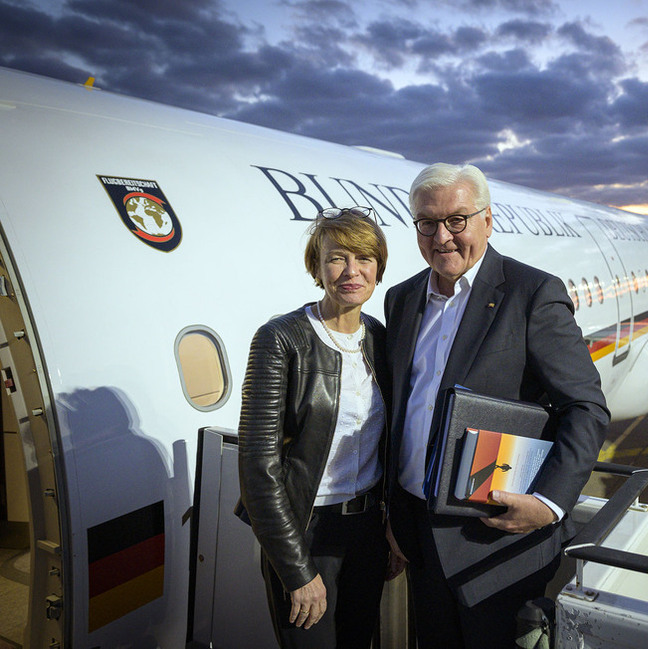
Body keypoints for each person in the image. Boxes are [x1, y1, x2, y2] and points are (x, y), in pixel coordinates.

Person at [384, 163, 609, 648]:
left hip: (497, 542)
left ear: (488, 219)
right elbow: (402, 411)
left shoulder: (531, 294)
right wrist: (393, 514)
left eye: (458, 220)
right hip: (418, 537)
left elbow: (586, 407)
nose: (442, 236)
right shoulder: (401, 300)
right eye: (427, 222)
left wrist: (548, 504)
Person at [237, 207, 390, 649]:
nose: (351, 271)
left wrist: (392, 529)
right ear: (317, 268)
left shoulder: (379, 338)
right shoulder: (281, 339)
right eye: (336, 258)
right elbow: (257, 465)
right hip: (305, 529)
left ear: (378, 268)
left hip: (366, 534)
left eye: (364, 259)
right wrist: (297, 570)